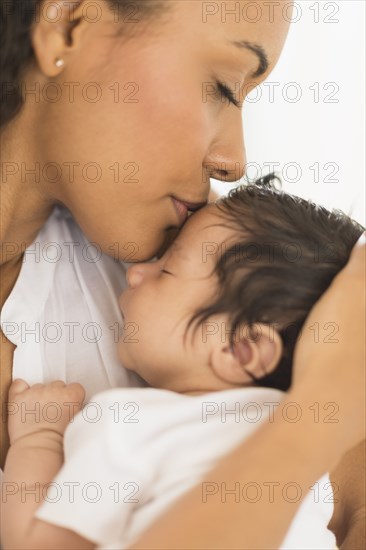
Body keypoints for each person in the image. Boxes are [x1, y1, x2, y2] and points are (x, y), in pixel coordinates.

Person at [0, 0, 365, 547]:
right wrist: (317, 414)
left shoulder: (214, 266)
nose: (234, 161)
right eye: (223, 86)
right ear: (69, 24)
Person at [2, 180, 365, 549]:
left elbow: (36, 544)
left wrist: (39, 439)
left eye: (167, 269)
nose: (136, 272)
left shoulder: (132, 424)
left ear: (241, 350)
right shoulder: (313, 473)